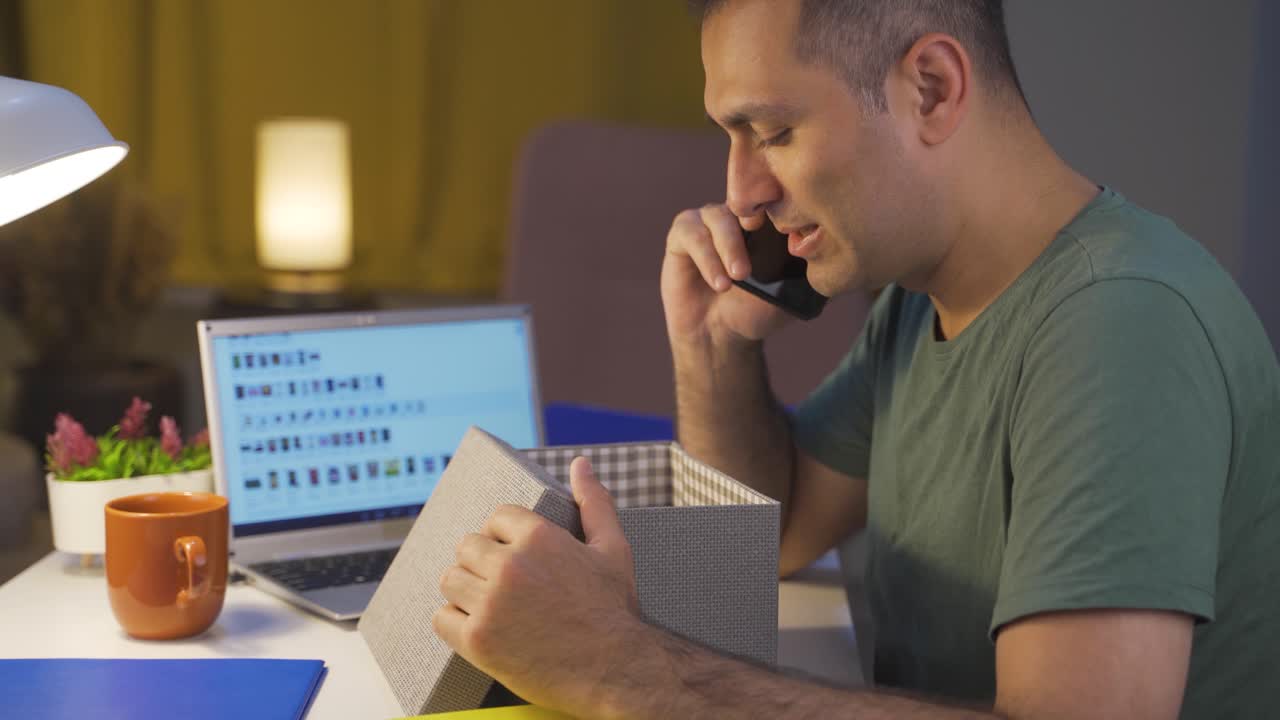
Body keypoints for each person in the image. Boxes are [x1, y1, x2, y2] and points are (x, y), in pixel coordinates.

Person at [433, 0, 1280, 717]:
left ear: (932, 89)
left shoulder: (1120, 325)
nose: (740, 193)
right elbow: (777, 531)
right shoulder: (922, 301)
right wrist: (712, 343)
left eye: (773, 131)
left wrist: (616, 665)